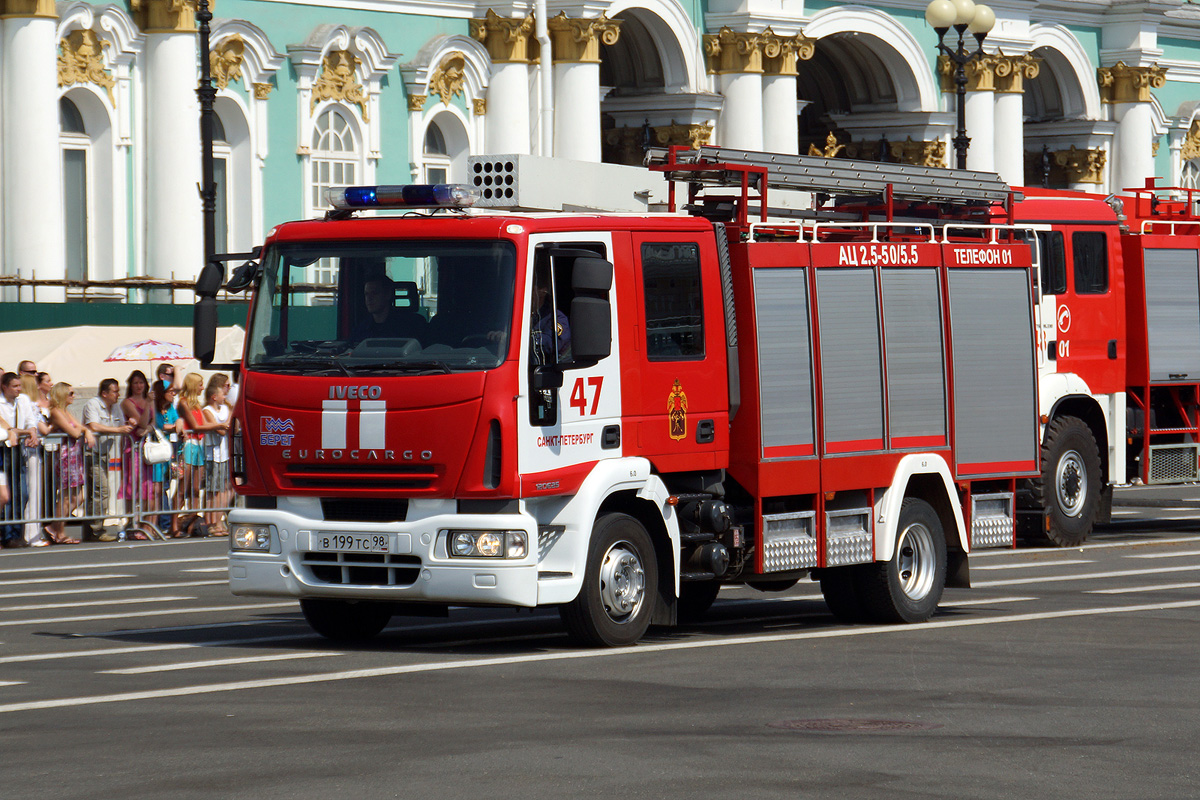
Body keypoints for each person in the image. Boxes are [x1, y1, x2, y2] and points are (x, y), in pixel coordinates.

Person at [82, 378, 133, 542]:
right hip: (92, 452)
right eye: (115, 391)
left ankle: (91, 529)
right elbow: (94, 426)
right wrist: (117, 429)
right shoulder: (93, 404)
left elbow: (121, 424)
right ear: (105, 393)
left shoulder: (116, 407)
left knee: (97, 491)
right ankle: (96, 529)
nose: (118, 394)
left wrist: (128, 424)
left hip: (105, 453)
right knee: (101, 490)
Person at [45, 382, 94, 545]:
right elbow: (74, 431)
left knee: (77, 496)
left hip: (75, 455)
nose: (73, 396)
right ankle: (59, 531)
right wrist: (83, 431)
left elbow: (80, 427)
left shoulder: (66, 411)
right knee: (67, 496)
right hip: (66, 456)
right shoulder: (56, 412)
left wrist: (86, 431)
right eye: (70, 393)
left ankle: (55, 526)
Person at [0, 372, 40, 548]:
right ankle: (7, 534)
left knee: (21, 493)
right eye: (14, 386)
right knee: (6, 495)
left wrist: (32, 430)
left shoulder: (22, 400)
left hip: (18, 450)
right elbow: (9, 429)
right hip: (3, 450)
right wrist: (24, 432)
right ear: (5, 387)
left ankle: (17, 532)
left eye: (19, 386)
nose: (18, 389)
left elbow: (31, 421)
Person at [349, 275, 427, 343]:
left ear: (387, 295)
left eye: (374, 293)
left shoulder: (411, 326)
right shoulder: (361, 329)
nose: (369, 298)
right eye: (366, 294)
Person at [202, 374, 233, 536]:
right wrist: (223, 425)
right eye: (223, 392)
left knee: (224, 490)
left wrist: (225, 425)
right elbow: (221, 429)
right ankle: (211, 522)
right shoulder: (207, 410)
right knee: (213, 490)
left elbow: (230, 424)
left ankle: (219, 521)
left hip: (225, 454)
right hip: (213, 455)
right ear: (214, 396)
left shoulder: (226, 408)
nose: (225, 396)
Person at [120, 370, 154, 518]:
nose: (139, 386)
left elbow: (152, 423)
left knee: (147, 485)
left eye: (141, 382)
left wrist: (148, 429)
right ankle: (130, 519)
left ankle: (143, 520)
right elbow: (141, 421)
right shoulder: (127, 402)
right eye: (135, 383)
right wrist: (147, 406)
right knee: (132, 483)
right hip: (132, 448)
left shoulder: (150, 401)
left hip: (146, 447)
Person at [151, 380, 182, 537]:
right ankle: (164, 522)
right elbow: (160, 426)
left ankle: (165, 522)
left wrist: (178, 423)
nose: (174, 394)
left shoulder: (170, 409)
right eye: (170, 391)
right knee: (159, 488)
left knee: (166, 486)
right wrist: (176, 426)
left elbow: (177, 421)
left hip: (169, 452)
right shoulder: (154, 410)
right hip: (156, 453)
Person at [530, 267, 571, 364]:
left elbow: (553, 343)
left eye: (530, 289)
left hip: (548, 372)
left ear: (542, 291)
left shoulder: (556, 317)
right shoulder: (528, 316)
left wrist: (528, 339)